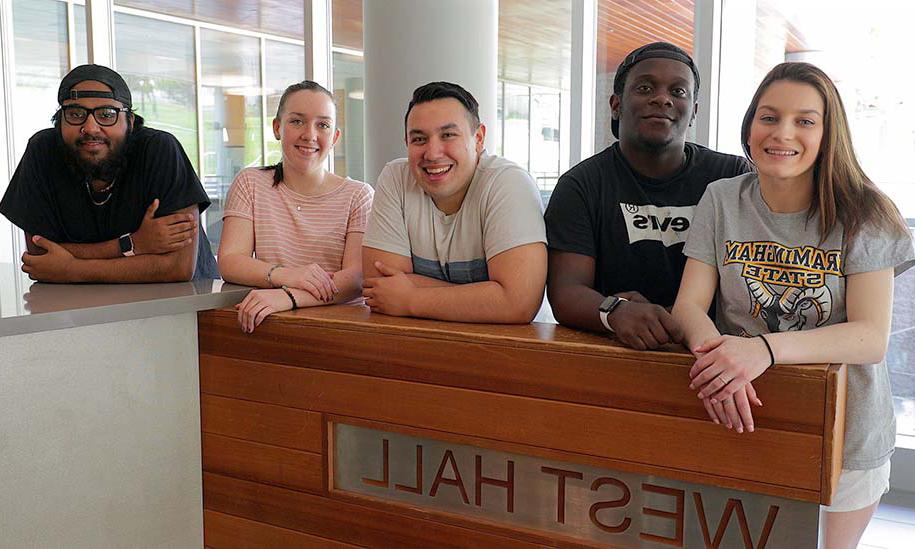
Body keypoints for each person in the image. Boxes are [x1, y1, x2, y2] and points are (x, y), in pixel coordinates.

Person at [671, 62, 914, 548]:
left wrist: (761, 349)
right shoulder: (722, 199)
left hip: (846, 433)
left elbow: (869, 338)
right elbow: (687, 308)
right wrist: (718, 363)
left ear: (828, 134)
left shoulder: (866, 211)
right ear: (750, 125)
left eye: (805, 120)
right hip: (744, 417)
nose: (783, 133)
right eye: (768, 116)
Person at [545, 42, 752, 350]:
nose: (662, 99)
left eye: (679, 92)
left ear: (694, 111)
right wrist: (614, 312)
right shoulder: (582, 185)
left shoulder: (734, 176)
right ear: (616, 105)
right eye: (644, 88)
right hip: (624, 355)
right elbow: (566, 291)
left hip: (721, 355)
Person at [0, 64, 218, 282]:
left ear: (130, 122)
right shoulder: (42, 152)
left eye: (107, 114)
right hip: (76, 306)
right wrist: (134, 244)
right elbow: (40, 258)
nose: (91, 128)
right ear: (59, 122)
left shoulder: (160, 150)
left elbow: (178, 267)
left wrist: (72, 269)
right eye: (75, 114)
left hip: (182, 307)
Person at [362, 81, 546, 323]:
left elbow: (519, 302)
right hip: (415, 343)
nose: (433, 153)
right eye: (419, 139)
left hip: (503, 348)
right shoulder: (396, 177)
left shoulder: (508, 183)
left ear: (478, 139)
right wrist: (485, 297)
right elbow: (379, 287)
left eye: (448, 135)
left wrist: (410, 299)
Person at [218, 81, 373, 333]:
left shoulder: (359, 195)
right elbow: (230, 261)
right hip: (273, 325)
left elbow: (355, 279)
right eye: (297, 121)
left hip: (345, 330)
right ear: (277, 127)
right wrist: (288, 275)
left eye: (322, 125)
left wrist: (288, 296)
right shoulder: (250, 183)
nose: (309, 135)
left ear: (334, 137)